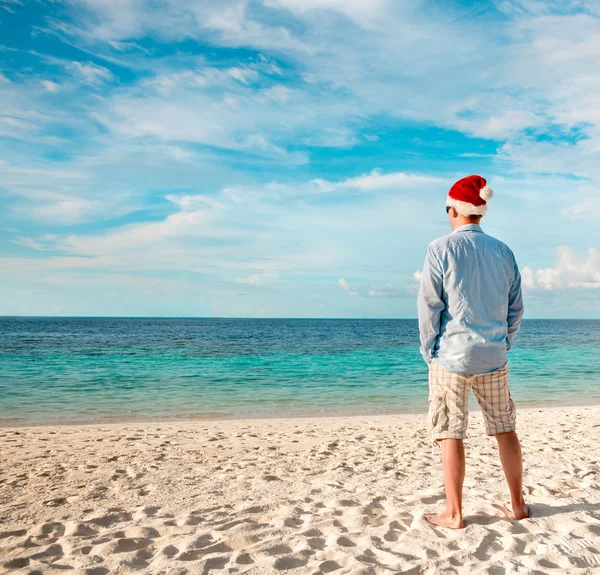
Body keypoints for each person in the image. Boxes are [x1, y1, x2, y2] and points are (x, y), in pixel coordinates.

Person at [417, 174, 528, 529]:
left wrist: (428, 350)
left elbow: (430, 307)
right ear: (480, 213)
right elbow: (516, 307)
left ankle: (454, 513)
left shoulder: (439, 248)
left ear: (453, 210)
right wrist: (503, 341)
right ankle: (518, 504)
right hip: (494, 356)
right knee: (504, 429)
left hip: (452, 356)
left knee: (450, 432)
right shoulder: (503, 250)